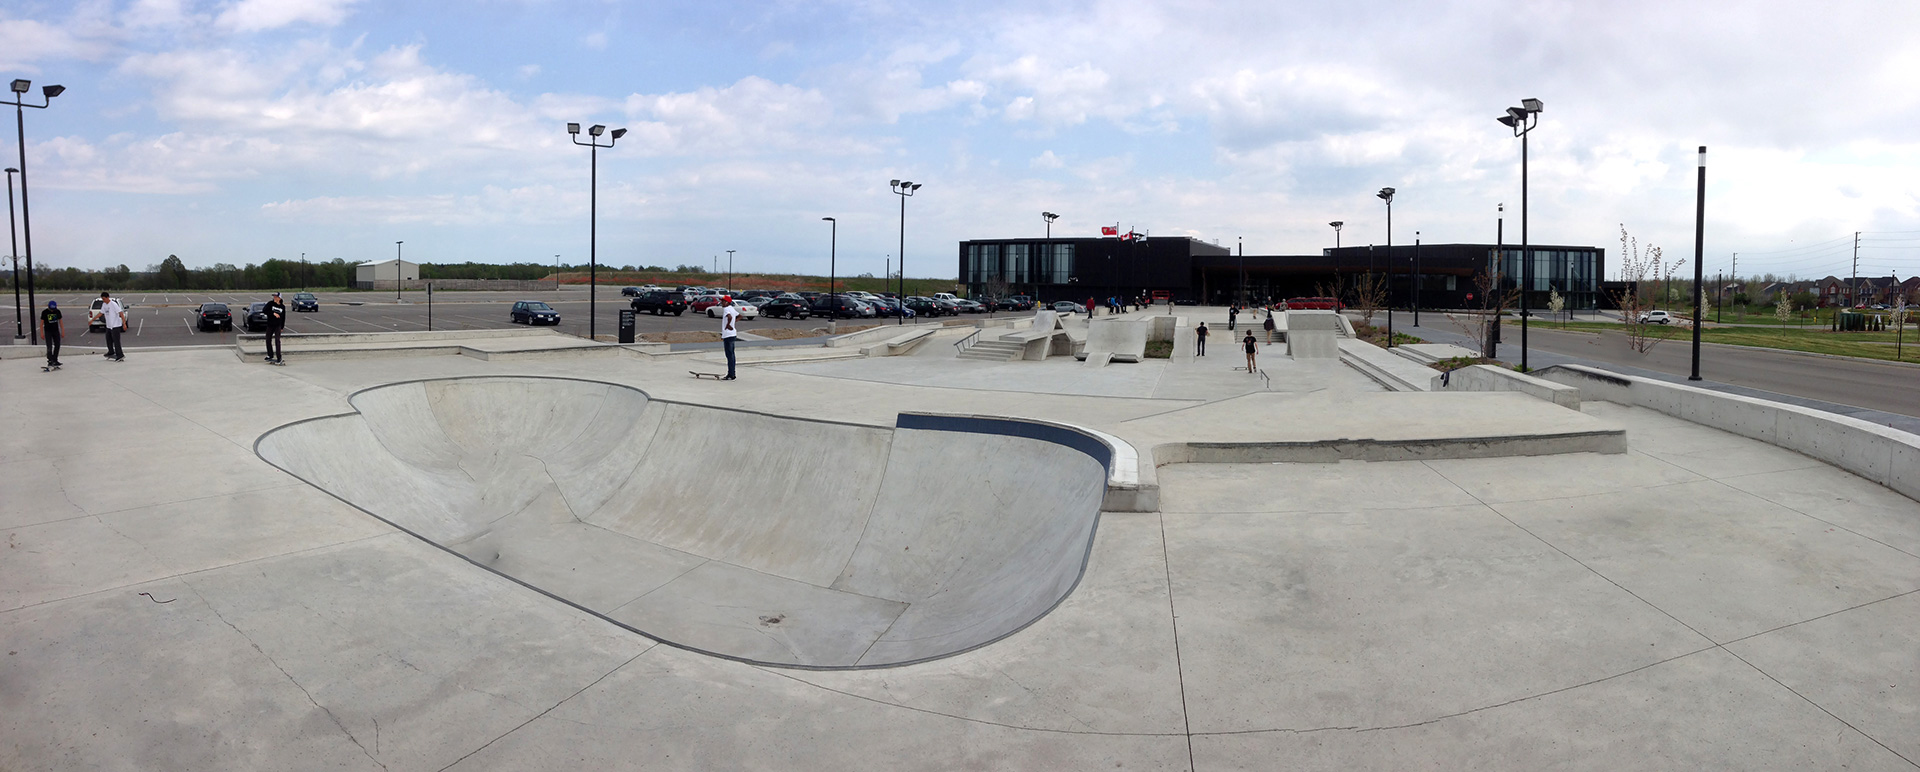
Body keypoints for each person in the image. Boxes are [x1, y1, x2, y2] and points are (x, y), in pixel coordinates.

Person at [95, 292, 126, 361]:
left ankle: (120, 355)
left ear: (107, 297)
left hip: (115, 326)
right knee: (108, 340)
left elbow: (121, 313)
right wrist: (93, 319)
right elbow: (101, 313)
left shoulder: (113, 304)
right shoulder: (104, 305)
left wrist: (124, 324)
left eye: (104, 299)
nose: (103, 300)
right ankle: (111, 351)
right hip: (109, 326)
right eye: (102, 299)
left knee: (116, 341)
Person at [264, 291, 287, 364]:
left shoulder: (282, 307)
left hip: (278, 325)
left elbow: (283, 317)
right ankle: (270, 355)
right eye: (274, 297)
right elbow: (264, 310)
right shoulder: (270, 304)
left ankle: (279, 357)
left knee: (277, 340)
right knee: (268, 339)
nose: (274, 298)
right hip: (270, 325)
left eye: (276, 297)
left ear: (279, 298)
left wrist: (282, 327)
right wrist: (273, 313)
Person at [40, 300, 64, 369]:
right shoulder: (45, 312)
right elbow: (41, 324)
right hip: (48, 332)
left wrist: (62, 331)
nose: (52, 311)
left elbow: (61, 322)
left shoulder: (57, 312)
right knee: (49, 346)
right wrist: (41, 333)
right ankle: (50, 360)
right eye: (51, 310)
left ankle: (55, 359)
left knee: (57, 345)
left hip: (56, 331)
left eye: (53, 310)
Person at [720, 294, 739, 380]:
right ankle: (732, 373)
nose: (721, 303)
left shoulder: (726, 309)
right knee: (732, 355)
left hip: (728, 335)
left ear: (727, 302)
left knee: (729, 355)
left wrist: (728, 325)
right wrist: (733, 324)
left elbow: (730, 317)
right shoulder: (732, 308)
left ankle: (730, 374)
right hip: (733, 334)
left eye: (723, 301)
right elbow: (740, 316)